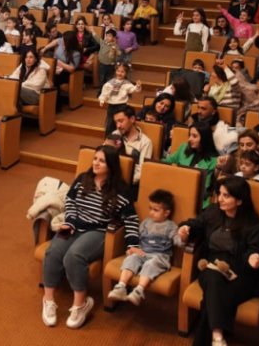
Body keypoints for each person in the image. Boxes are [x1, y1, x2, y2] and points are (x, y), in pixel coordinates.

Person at [41, 145, 140, 329]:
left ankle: (81, 304)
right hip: (73, 224)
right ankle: (48, 300)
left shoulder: (120, 189)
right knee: (53, 251)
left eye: (101, 161)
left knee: (74, 256)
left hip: (98, 231)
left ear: (111, 165)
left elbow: (131, 219)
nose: (96, 163)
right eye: (95, 159)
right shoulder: (83, 179)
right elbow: (70, 201)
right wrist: (69, 222)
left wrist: (132, 244)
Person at [178, 176, 259, 346]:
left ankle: (216, 338)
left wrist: (254, 257)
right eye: (219, 194)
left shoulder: (252, 221)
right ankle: (218, 337)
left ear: (239, 200)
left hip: (240, 273)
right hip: (212, 265)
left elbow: (258, 247)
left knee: (212, 298)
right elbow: (195, 224)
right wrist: (185, 228)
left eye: (226, 195)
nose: (220, 199)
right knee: (213, 279)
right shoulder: (213, 211)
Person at [108, 188, 184, 306]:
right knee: (132, 258)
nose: (151, 212)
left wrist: (183, 237)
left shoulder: (171, 226)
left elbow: (178, 241)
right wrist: (132, 249)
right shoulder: (146, 223)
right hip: (143, 252)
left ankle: (139, 291)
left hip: (160, 256)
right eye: (150, 208)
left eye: (155, 210)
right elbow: (137, 237)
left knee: (150, 264)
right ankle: (121, 286)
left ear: (166, 213)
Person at [163, 121, 220, 208]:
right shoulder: (183, 148)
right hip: (176, 190)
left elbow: (205, 189)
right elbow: (166, 162)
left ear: (204, 138)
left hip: (197, 199)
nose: (189, 139)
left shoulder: (213, 161)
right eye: (190, 135)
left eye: (194, 136)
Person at [111, 104, 153, 186]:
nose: (118, 126)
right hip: (112, 178)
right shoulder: (115, 134)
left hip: (130, 183)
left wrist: (124, 182)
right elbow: (104, 154)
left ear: (132, 119)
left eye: (121, 121)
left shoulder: (145, 142)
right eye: (116, 122)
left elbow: (142, 171)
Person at [98, 63, 142, 136]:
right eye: (118, 71)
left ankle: (121, 137)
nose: (120, 73)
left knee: (121, 122)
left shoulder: (127, 83)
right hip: (112, 106)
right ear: (115, 71)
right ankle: (109, 136)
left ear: (126, 73)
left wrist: (138, 86)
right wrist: (102, 99)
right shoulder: (110, 83)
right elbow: (105, 92)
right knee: (111, 122)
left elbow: (133, 89)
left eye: (122, 72)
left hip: (122, 106)